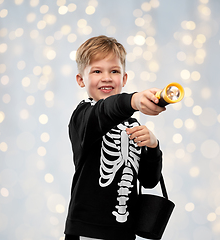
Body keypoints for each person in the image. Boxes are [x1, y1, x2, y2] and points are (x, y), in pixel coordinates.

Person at [64, 35, 166, 240]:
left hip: (125, 231)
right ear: (81, 80)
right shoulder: (83, 117)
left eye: (114, 71)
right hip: (88, 231)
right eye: (97, 71)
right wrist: (133, 100)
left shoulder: (132, 124)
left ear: (124, 78)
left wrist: (153, 147)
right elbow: (104, 111)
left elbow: (149, 180)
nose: (107, 77)